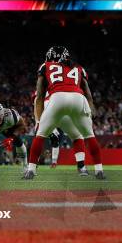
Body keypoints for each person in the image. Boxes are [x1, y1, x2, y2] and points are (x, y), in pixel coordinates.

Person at [24, 46, 105, 179]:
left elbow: (38, 98)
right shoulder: (78, 68)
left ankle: (31, 170)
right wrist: (91, 108)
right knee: (85, 135)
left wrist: (38, 120)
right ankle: (95, 169)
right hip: (78, 99)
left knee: (40, 135)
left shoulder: (46, 67)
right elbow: (87, 92)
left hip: (55, 101)